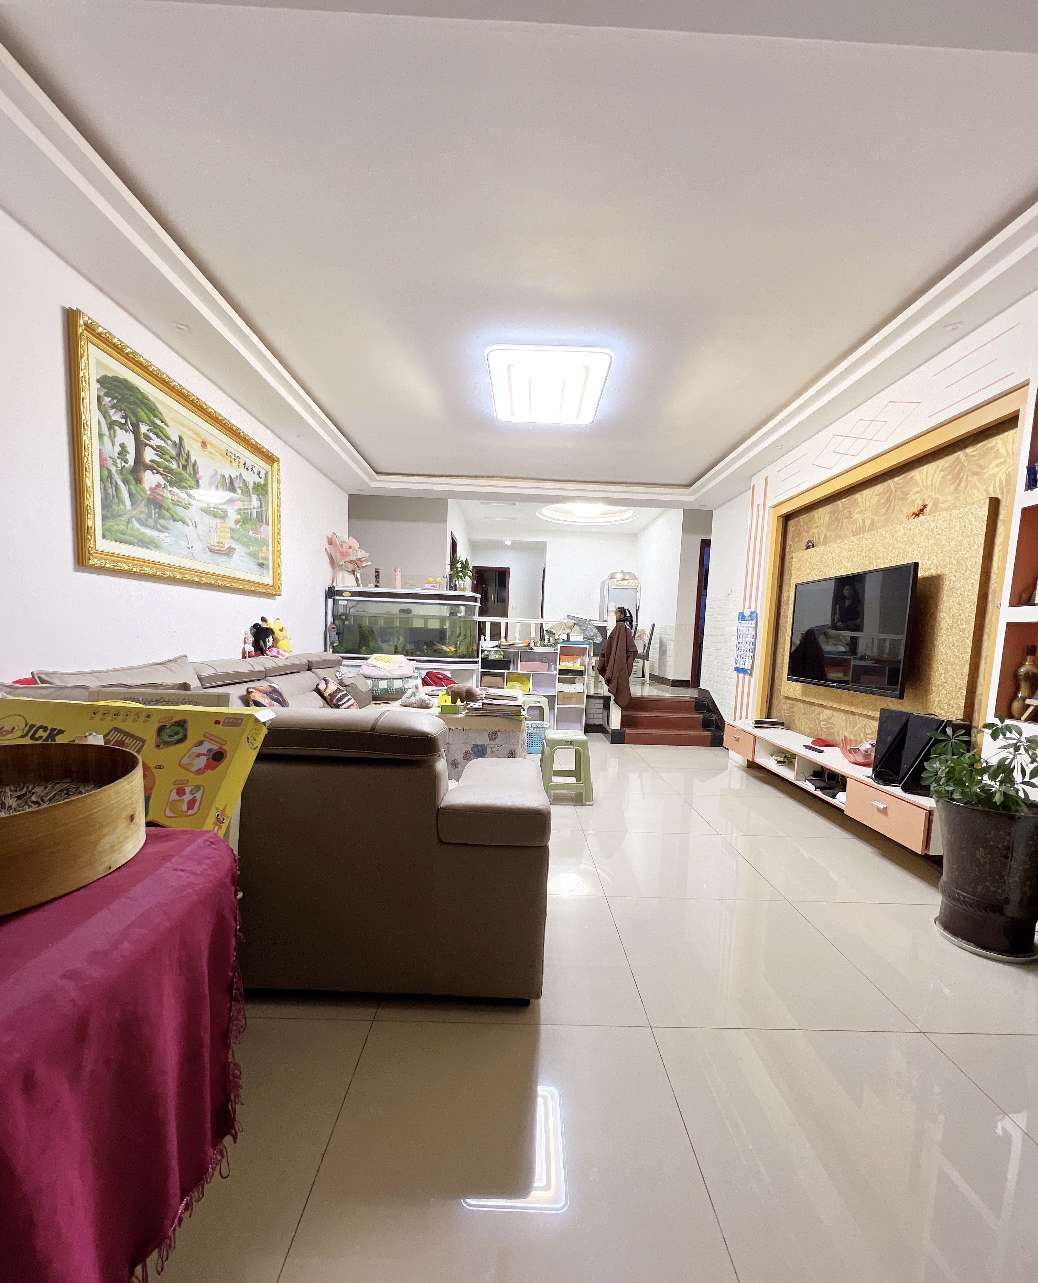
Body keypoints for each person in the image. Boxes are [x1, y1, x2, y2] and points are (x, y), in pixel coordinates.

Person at [597, 606, 638, 708]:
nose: (614, 615)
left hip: (619, 662)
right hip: (619, 661)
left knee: (617, 671)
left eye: (616, 613)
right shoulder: (620, 627)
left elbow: (619, 648)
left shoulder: (620, 627)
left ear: (622, 615)